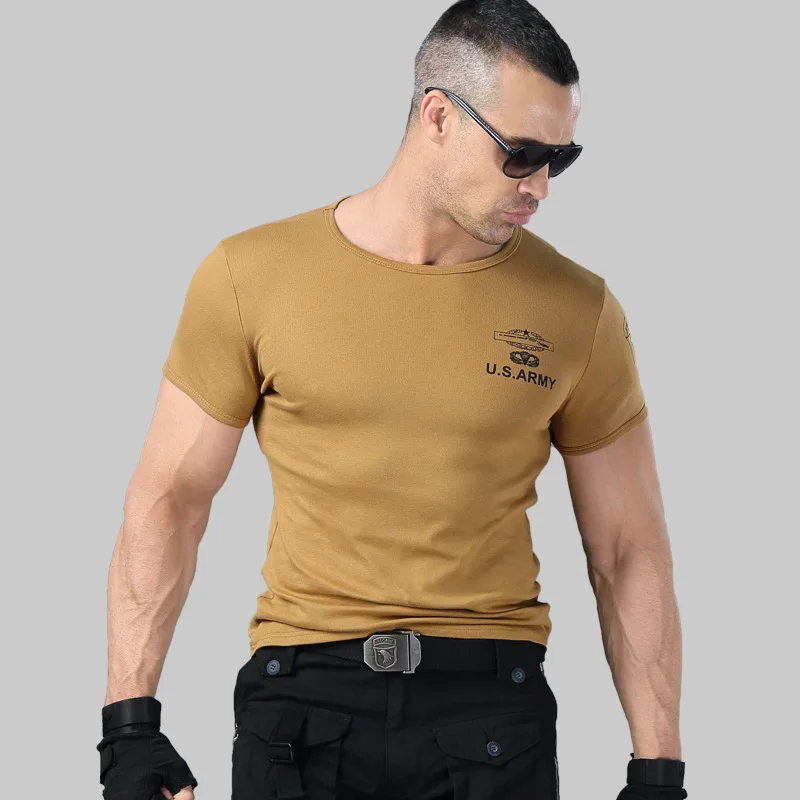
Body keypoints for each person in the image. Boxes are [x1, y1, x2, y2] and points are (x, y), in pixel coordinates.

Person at [96, 1, 687, 798]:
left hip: (491, 713)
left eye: (561, 157)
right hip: (303, 709)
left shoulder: (579, 309)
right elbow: (170, 498)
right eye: (521, 154)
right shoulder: (251, 275)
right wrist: (130, 728)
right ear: (438, 116)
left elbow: (627, 546)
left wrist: (659, 770)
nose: (541, 185)